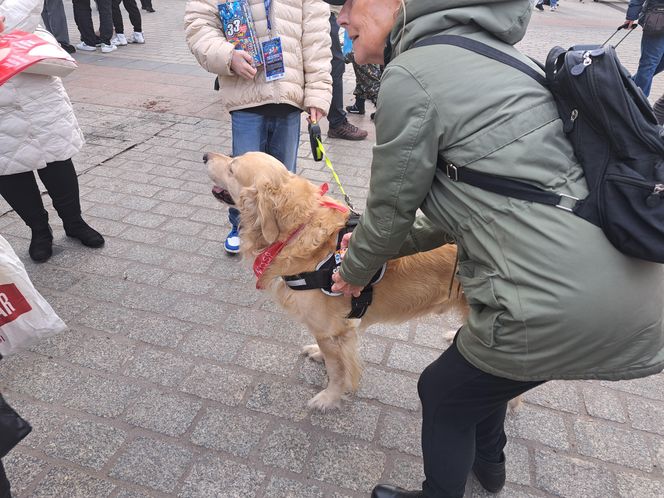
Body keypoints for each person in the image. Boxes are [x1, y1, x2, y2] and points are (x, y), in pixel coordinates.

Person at [325, 0, 664, 497]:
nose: (340, 16)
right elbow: (478, 204)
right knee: (486, 379)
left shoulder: (413, 73)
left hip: (559, 302)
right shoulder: (497, 56)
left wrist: (355, 270)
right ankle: (491, 468)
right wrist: (388, 246)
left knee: (442, 391)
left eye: (346, 3)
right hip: (632, 288)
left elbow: (390, 209)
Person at [185, 0, 333, 254]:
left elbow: (317, 37)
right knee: (238, 175)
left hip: (288, 96)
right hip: (245, 95)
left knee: (282, 179)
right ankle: (243, 227)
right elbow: (199, 23)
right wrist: (228, 56)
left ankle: (283, 233)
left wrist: (318, 92)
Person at [0, 2, 105, 263]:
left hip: (31, 81)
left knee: (57, 161)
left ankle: (74, 222)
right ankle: (39, 231)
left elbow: (24, 9)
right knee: (9, 170)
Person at [327, 8, 368, 140]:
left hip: (323, 13)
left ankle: (338, 121)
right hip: (315, 12)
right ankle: (337, 123)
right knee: (335, 64)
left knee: (336, 64)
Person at [625, 0, 664, 96]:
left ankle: (627, 87)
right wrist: (631, 15)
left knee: (654, 64)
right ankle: (638, 102)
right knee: (649, 63)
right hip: (657, 19)